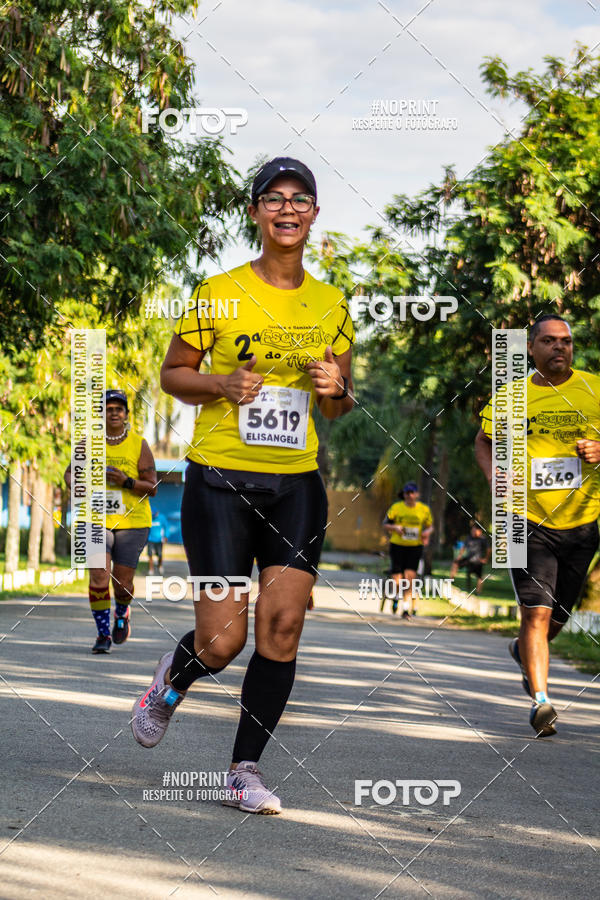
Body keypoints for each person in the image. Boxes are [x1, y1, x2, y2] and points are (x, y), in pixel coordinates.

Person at [131, 157, 355, 814]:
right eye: (274, 199)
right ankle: (170, 682)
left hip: (297, 483)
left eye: (301, 199)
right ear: (256, 212)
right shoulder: (217, 291)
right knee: (222, 642)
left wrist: (335, 390)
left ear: (314, 214)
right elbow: (174, 373)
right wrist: (222, 385)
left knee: (281, 629)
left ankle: (244, 770)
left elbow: (340, 403)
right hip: (221, 480)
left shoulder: (332, 302)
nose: (288, 210)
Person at [475, 314, 600, 737]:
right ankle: (542, 702)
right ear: (531, 349)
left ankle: (521, 651)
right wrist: (495, 478)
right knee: (537, 614)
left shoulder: (594, 389)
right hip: (524, 518)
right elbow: (484, 440)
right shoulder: (512, 396)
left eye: (565, 341)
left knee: (559, 616)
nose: (559, 348)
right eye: (548, 341)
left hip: (583, 521)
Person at [65, 389, 157, 653]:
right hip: (95, 520)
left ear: (126, 415)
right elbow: (70, 473)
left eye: (119, 408)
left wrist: (125, 481)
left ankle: (122, 611)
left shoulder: (139, 444)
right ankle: (103, 634)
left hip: (133, 522)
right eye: (108, 408)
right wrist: (76, 485)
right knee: (98, 577)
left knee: (122, 584)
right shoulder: (87, 443)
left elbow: (152, 487)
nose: (113, 412)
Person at [382, 482, 433, 617]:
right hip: (397, 545)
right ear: (404, 494)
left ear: (417, 494)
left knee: (410, 578)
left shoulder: (423, 509)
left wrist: (426, 533)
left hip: (415, 547)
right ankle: (396, 597)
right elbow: (385, 524)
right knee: (397, 578)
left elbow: (430, 526)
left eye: (412, 493)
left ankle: (405, 608)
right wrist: (395, 528)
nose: (409, 495)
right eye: (407, 493)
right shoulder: (396, 507)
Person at [450, 522, 490, 595]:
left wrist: (486, 559)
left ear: (479, 531)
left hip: (477, 561)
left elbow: (488, 549)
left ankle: (478, 592)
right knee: (455, 563)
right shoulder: (469, 538)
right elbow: (463, 547)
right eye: (472, 531)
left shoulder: (483, 539)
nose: (473, 532)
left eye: (474, 531)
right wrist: (459, 557)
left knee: (480, 577)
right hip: (469, 559)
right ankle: (451, 581)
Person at [147, 508, 167, 575]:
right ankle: (151, 569)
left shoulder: (162, 518)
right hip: (150, 539)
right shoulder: (148, 517)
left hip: (159, 540)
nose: (153, 516)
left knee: (160, 554)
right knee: (150, 554)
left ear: (157, 512)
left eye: (154, 514)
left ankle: (160, 565)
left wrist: (166, 536)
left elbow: (166, 527)